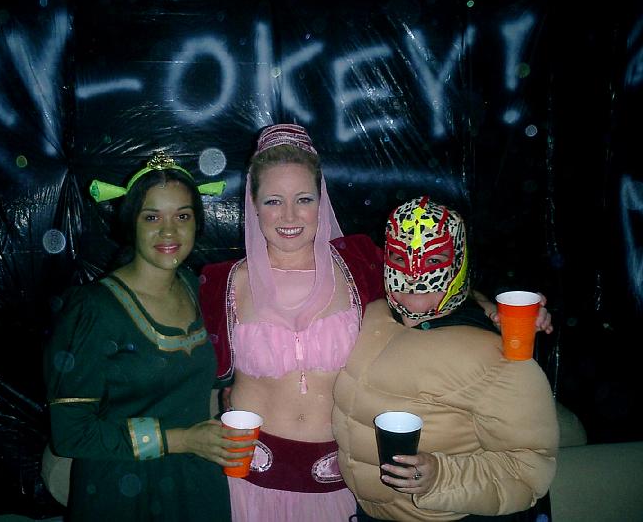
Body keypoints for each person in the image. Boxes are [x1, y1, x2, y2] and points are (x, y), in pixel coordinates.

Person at [199, 124, 553, 522]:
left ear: (321, 201)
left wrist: (490, 308)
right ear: (252, 203)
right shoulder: (221, 283)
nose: (290, 215)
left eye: (304, 199)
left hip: (340, 485)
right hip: (248, 479)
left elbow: (426, 281)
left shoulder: (358, 264)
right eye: (273, 201)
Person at [43, 155, 255, 521]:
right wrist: (182, 439)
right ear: (131, 223)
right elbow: (71, 433)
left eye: (183, 216)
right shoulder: (94, 310)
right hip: (123, 489)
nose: (169, 231)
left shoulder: (197, 288)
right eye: (152, 217)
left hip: (196, 480)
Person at [332, 195, 559, 521]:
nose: (414, 275)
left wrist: (441, 476)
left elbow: (528, 469)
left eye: (435, 258)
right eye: (399, 256)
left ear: (458, 263)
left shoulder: (495, 357)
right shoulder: (373, 313)